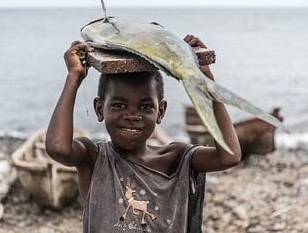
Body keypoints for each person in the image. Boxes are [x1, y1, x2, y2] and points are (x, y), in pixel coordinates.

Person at [45, 35, 241, 233]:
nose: (132, 115)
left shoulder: (175, 159)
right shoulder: (94, 159)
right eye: (119, 105)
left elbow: (229, 156)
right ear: (99, 109)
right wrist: (74, 76)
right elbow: (57, 147)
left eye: (145, 106)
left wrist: (206, 78)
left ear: (160, 112)